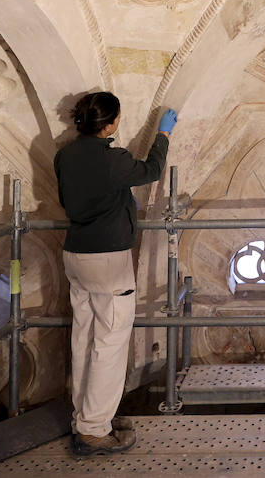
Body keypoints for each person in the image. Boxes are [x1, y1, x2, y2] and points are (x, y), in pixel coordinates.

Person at [56, 91, 178, 456]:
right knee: (109, 344)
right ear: (110, 123)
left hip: (75, 254)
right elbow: (152, 170)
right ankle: (94, 430)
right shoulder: (113, 160)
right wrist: (163, 135)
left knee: (84, 336)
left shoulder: (65, 155)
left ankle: (85, 417)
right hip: (107, 259)